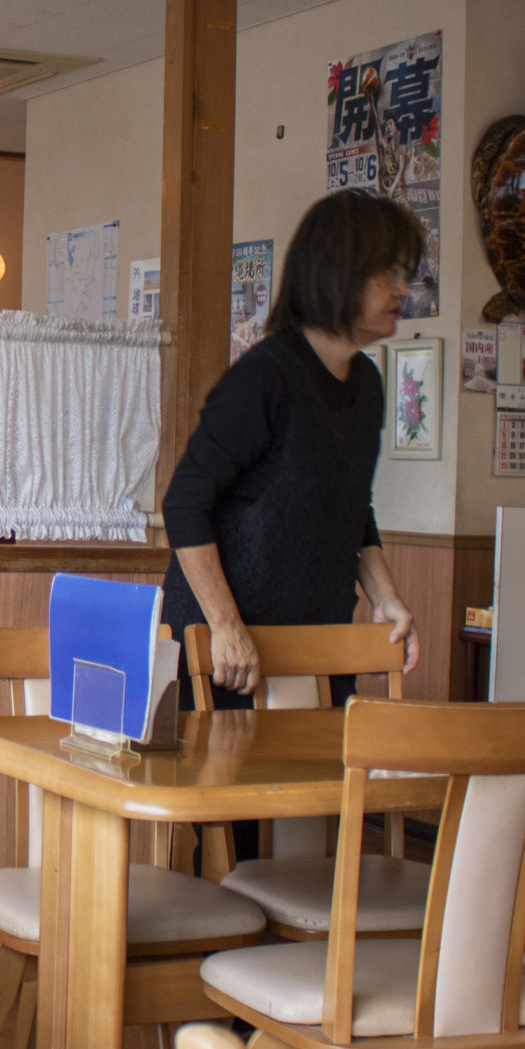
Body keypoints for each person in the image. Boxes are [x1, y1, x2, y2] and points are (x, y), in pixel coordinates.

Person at [164, 189, 422, 704]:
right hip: (228, 658)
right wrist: (226, 627)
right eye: (389, 273)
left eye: (404, 274)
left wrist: (387, 599)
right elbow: (185, 503)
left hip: (318, 645)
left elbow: (352, 507)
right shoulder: (266, 377)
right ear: (340, 272)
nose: (402, 289)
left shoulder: (367, 385)